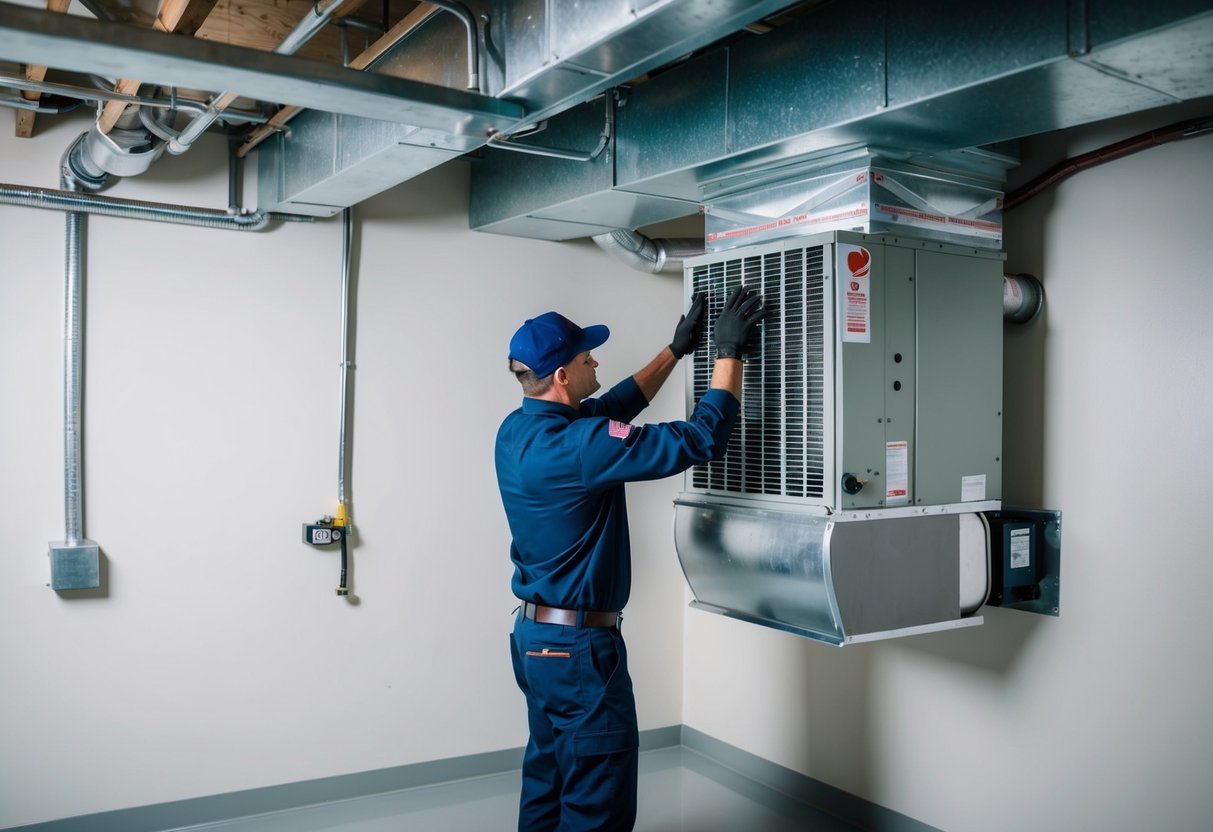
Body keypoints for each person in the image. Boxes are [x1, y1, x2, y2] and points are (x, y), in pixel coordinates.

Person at [495, 286, 764, 831]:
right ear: (564, 376)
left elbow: (611, 408)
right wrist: (728, 353)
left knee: (548, 786)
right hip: (579, 656)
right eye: (585, 355)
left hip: (536, 645)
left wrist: (675, 350)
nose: (596, 359)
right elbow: (701, 438)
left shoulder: (518, 430)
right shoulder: (580, 445)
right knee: (597, 806)